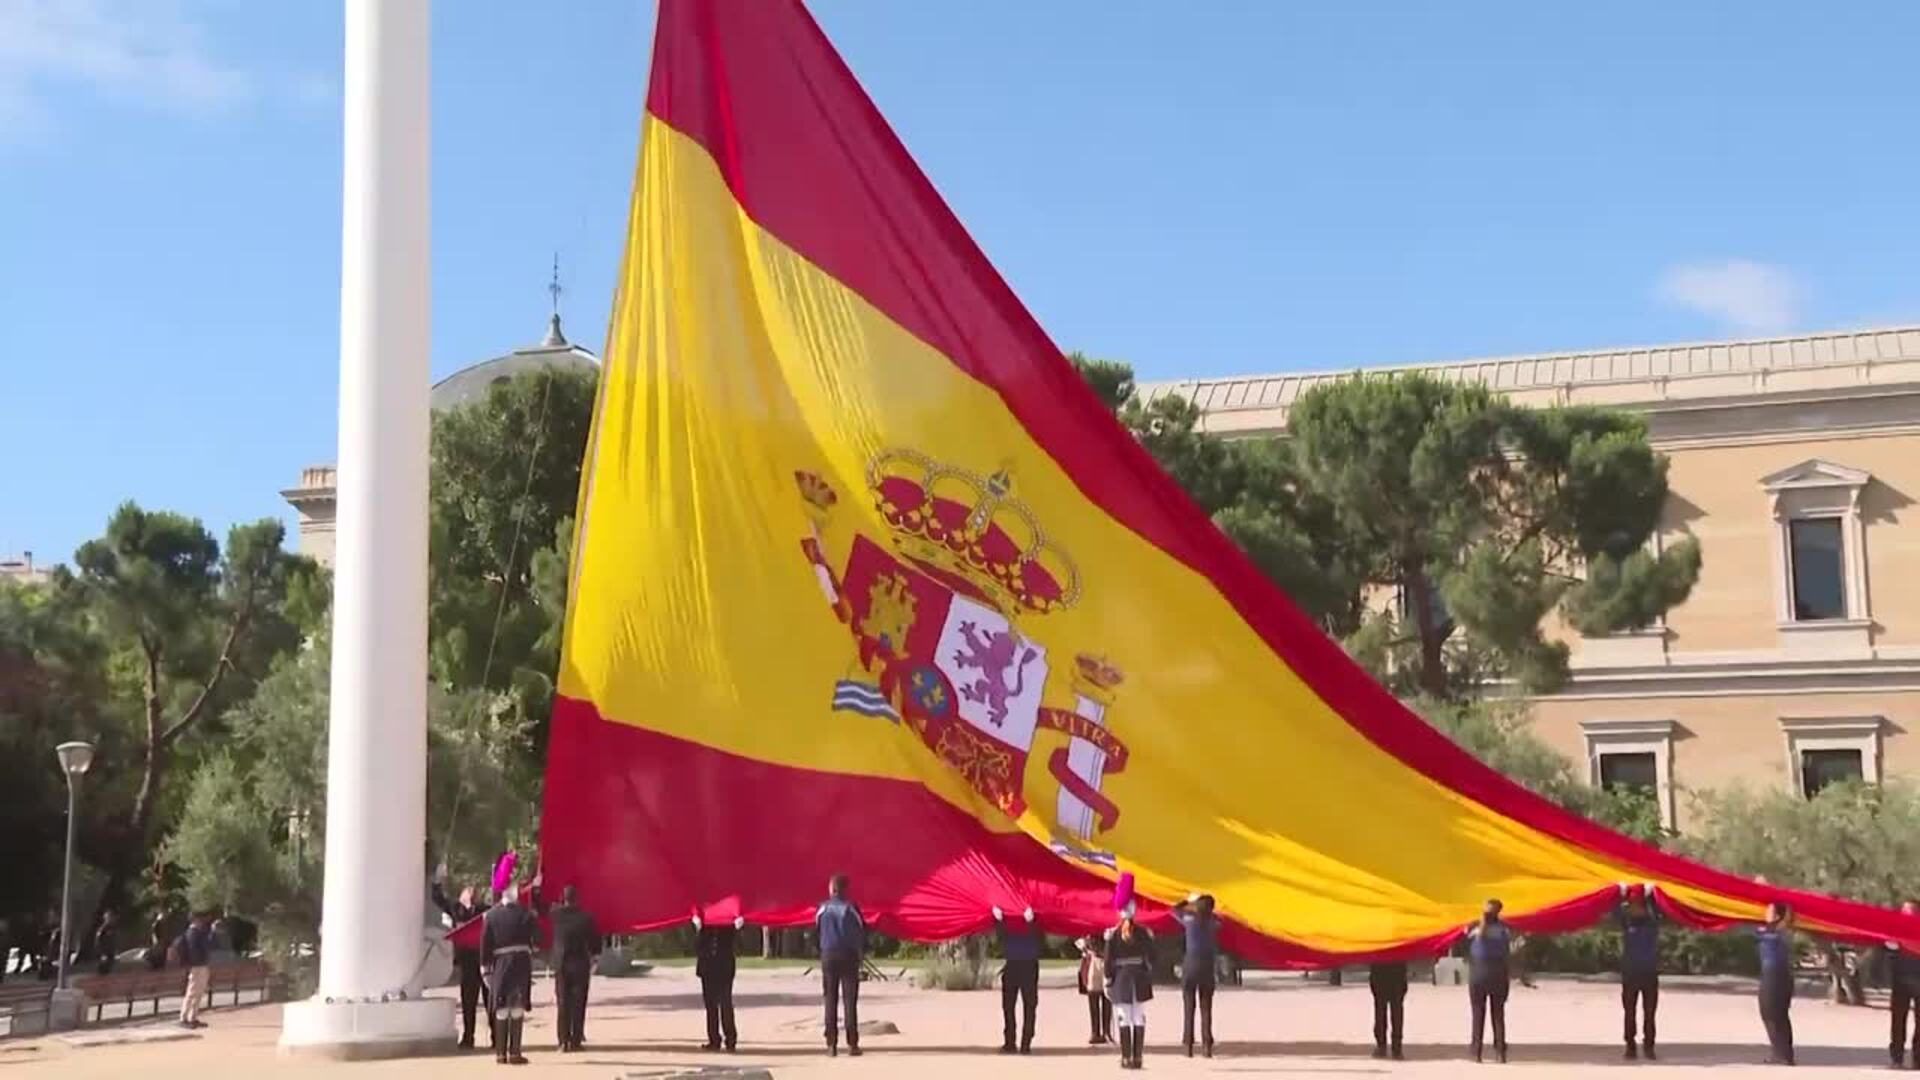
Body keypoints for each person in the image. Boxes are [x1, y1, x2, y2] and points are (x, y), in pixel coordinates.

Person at [433, 869, 494, 1050]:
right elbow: (438, 899)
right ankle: (469, 1037)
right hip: (467, 962)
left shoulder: (485, 910)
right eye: (469, 892)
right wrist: (437, 881)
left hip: (484, 961)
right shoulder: (456, 909)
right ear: (462, 896)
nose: (472, 895)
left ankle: (496, 1037)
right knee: (468, 1002)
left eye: (474, 893)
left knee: (490, 1000)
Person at [482, 884, 540, 1065]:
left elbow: (485, 944)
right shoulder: (527, 914)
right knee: (517, 1005)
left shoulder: (490, 916)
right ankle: (515, 1052)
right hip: (521, 962)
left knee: (501, 1006)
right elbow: (537, 940)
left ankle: (500, 1054)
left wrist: (485, 968)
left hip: (500, 963)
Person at [1105, 874, 1154, 1070]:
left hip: (1121, 978)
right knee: (1138, 1017)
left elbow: (1108, 960)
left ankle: (1126, 1058)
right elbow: (1153, 956)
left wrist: (1108, 979)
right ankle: (1138, 1058)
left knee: (1124, 1017)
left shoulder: (1112, 934)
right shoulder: (1143, 933)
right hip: (1140, 977)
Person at [815, 873, 866, 1057]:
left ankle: (831, 1044)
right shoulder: (851, 908)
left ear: (832, 889)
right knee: (849, 1000)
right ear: (845, 889)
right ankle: (852, 1044)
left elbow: (817, 930)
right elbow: (861, 930)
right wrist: (860, 952)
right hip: (849, 955)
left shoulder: (822, 908)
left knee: (830, 999)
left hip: (828, 955)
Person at [549, 884, 600, 1054]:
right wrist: (595, 957)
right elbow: (595, 942)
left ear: (563, 898)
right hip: (580, 963)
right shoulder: (586, 918)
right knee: (579, 1003)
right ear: (577, 898)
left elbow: (540, 906)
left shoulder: (555, 915)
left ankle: (563, 1041)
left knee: (563, 1003)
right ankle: (576, 1040)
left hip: (561, 963)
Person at [1465, 898, 1516, 1064]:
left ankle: (1476, 1052)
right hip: (1499, 972)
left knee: (1478, 1013)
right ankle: (1500, 1052)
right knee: (1498, 1014)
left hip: (1479, 972)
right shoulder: (1504, 929)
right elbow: (1508, 951)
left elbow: (1468, 936)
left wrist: (1481, 920)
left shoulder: (1474, 926)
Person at [1616, 882, 1661, 1061]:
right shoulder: (1626, 922)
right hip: (1630, 974)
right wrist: (1621, 891)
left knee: (1649, 1014)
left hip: (1649, 974)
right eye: (1631, 904)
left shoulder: (1652, 923)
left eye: (1638, 903)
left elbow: (1658, 906)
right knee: (1629, 1012)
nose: (1634, 907)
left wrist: (1650, 893)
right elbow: (1615, 910)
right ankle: (1630, 1046)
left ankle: (1649, 1047)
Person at [1172, 892, 1220, 1058]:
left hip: (1190, 966)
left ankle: (1188, 1046)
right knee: (1206, 1008)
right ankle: (1207, 1046)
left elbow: (1174, 910)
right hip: (1207, 967)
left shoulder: (1189, 919)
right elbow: (1221, 919)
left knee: (1188, 1007)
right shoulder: (1213, 922)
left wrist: (1188, 900)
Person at [992, 905, 1041, 1054]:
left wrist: (1031, 922)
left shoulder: (1035, 916)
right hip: (1012, 964)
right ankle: (1010, 1042)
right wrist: (999, 921)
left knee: (1029, 1005)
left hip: (1028, 965)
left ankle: (1026, 1042)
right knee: (1008, 1006)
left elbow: (1039, 939)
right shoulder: (1008, 916)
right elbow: (1001, 938)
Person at [694, 914, 743, 1052]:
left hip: (724, 967)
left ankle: (730, 1039)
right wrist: (698, 929)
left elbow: (735, 943)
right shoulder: (704, 921)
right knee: (711, 1005)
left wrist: (736, 927)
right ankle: (714, 1039)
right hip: (708, 967)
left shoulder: (728, 921)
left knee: (725, 1004)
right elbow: (698, 946)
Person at [1756, 901, 1796, 1067]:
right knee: (1772, 1014)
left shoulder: (1781, 930)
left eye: (1769, 910)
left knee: (1774, 1014)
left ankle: (1783, 1055)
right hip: (1772, 974)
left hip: (1777, 975)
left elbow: (1789, 918)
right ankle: (1782, 1053)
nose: (1765, 912)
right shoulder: (1766, 929)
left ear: (1778, 916)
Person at [1888, 900, 1920, 1069]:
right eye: (1905, 911)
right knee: (1898, 1020)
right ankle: (1897, 1057)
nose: (1908, 914)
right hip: (1900, 981)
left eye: (1912, 911)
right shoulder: (1894, 930)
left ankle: (1918, 1059)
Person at [175, 912, 214, 1029]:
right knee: (192, 992)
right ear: (194, 920)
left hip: (201, 964)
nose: (202, 921)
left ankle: (193, 1017)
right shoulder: (192, 932)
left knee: (199, 992)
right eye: (199, 919)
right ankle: (184, 1017)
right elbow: (194, 950)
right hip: (197, 966)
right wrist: (198, 962)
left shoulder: (199, 932)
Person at [1077, 936, 1113, 1045]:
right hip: (1093, 958)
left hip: (1107, 959)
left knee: (1107, 997)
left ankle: (1107, 1032)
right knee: (1093, 996)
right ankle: (1095, 1032)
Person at [1369, 960, 1408, 1060]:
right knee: (1395, 1011)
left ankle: (1383, 1046)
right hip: (1395, 972)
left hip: (1382, 971)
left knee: (1382, 1010)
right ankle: (1395, 1048)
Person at [93, 911, 119, 976]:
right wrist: (101, 953)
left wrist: (115, 949)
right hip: (104, 953)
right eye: (109, 918)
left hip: (111, 952)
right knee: (103, 969)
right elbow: (98, 941)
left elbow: (114, 940)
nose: (112, 919)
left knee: (110, 968)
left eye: (112, 917)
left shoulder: (113, 928)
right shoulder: (102, 929)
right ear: (106, 918)